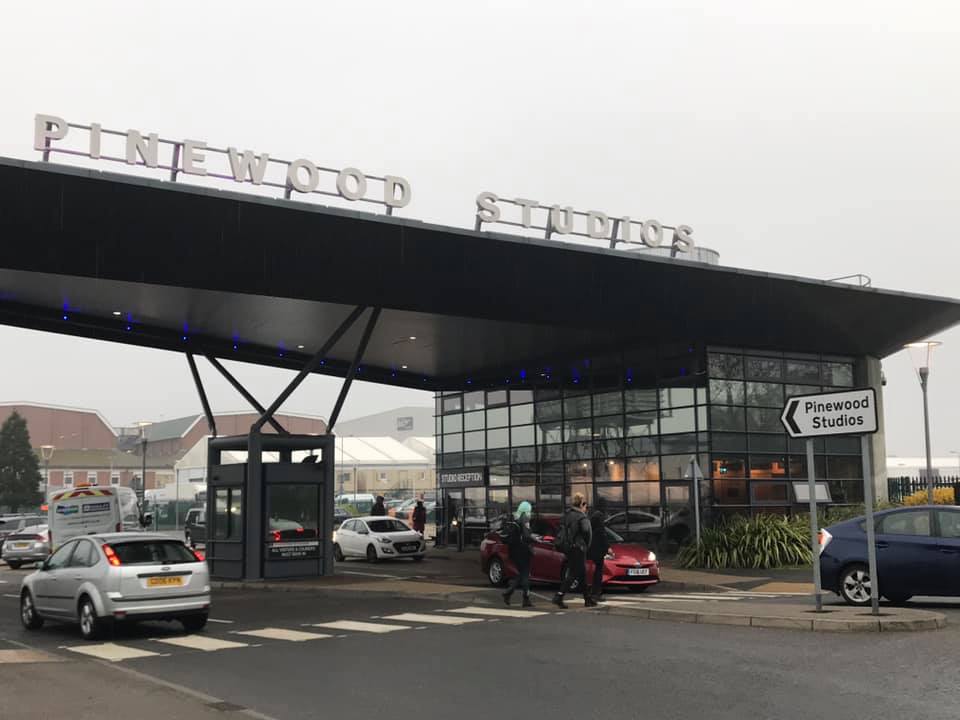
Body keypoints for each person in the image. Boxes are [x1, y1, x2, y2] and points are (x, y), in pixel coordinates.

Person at [552, 492, 594, 609]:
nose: (585, 507)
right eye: (584, 504)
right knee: (573, 574)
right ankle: (559, 596)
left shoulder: (568, 514)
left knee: (582, 573)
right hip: (579, 548)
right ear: (581, 504)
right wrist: (586, 544)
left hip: (569, 547)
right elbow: (586, 531)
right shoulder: (581, 516)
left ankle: (587, 599)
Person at [501, 500, 534, 608]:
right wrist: (534, 538)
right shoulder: (524, 519)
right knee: (525, 575)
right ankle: (525, 598)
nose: (531, 513)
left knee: (522, 574)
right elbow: (526, 536)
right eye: (530, 510)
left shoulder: (515, 518)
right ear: (526, 510)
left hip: (514, 551)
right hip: (523, 551)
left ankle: (509, 593)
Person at [587, 510, 610, 602]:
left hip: (591, 553)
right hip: (599, 553)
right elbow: (604, 540)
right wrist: (608, 549)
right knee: (598, 573)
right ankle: (596, 593)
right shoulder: (600, 529)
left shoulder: (591, 527)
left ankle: (592, 592)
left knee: (595, 572)